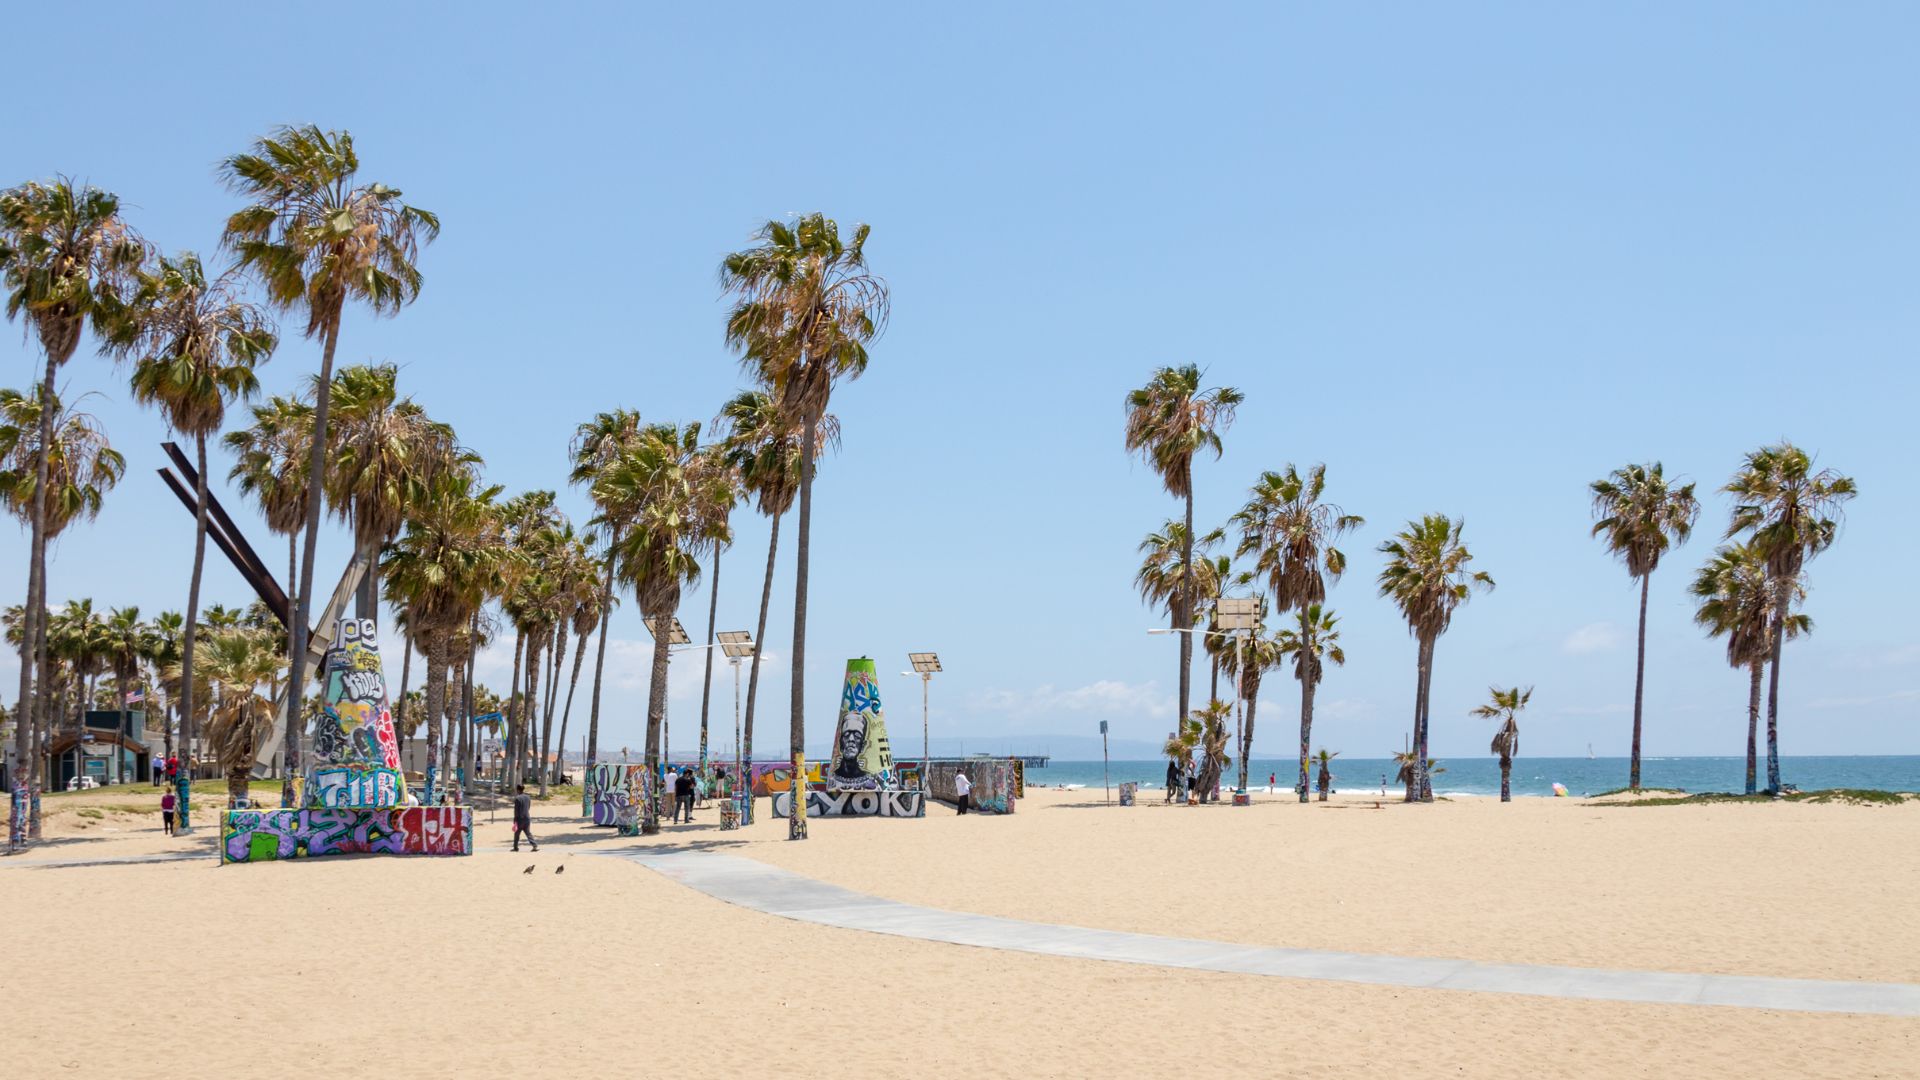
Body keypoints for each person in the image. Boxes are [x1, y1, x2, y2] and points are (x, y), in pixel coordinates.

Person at [511, 784, 538, 852]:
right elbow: (528, 807)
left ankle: (515, 847)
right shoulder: (528, 797)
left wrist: (515, 820)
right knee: (528, 833)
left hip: (520, 818)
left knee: (517, 834)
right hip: (527, 817)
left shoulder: (517, 798)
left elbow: (516, 810)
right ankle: (534, 845)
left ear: (518, 790)